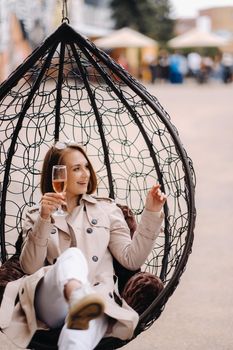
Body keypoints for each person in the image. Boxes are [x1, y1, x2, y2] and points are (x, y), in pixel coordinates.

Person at [0, 140, 166, 350]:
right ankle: (82, 300)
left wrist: (151, 213)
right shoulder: (36, 215)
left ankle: (85, 305)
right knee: (72, 258)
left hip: (99, 300)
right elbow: (29, 267)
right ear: (57, 175)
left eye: (86, 166)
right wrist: (44, 219)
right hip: (51, 303)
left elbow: (131, 259)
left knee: (78, 339)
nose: (85, 173)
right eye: (76, 169)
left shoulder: (106, 210)